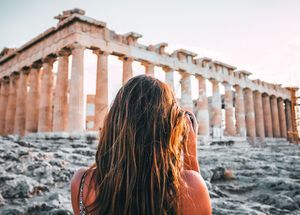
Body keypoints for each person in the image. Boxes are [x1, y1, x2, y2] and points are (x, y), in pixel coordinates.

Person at [71, 75, 212, 215]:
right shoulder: (191, 186)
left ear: (114, 120)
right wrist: (190, 153)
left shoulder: (82, 182)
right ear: (169, 128)